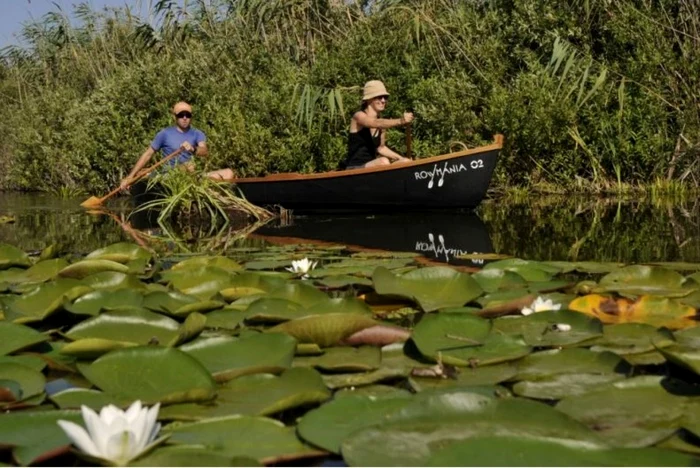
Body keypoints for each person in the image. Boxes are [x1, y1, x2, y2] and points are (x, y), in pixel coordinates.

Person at [120, 101, 234, 191]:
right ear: (175, 117)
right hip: (169, 177)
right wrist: (130, 176)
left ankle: (217, 198)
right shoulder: (164, 134)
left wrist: (193, 149)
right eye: (181, 115)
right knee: (189, 166)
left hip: (191, 175)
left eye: (187, 115)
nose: (184, 118)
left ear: (191, 117)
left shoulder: (197, 133)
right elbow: (148, 154)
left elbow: (204, 151)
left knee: (229, 173)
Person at [341, 80, 414, 170]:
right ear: (369, 99)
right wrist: (401, 121)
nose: (383, 100)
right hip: (355, 168)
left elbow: (381, 148)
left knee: (405, 162)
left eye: (385, 97)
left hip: (371, 167)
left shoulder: (381, 125)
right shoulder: (358, 116)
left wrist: (402, 159)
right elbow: (374, 123)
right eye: (379, 97)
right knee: (383, 161)